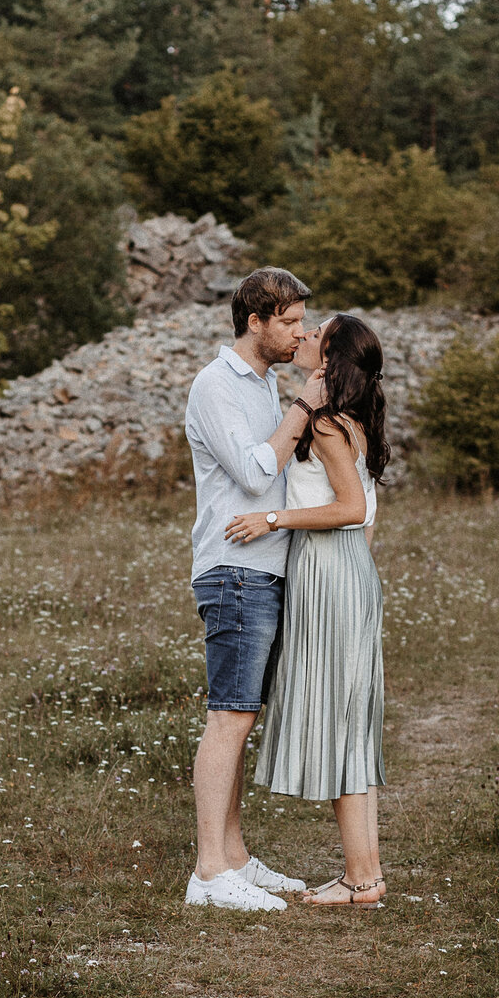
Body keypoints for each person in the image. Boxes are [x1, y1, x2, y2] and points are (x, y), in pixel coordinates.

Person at [183, 266, 328, 913]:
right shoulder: (217, 385)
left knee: (241, 718)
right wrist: (303, 410)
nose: (299, 332)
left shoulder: (265, 384)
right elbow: (249, 473)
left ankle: (235, 857)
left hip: (264, 567)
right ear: (256, 322)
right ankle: (210, 873)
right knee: (228, 718)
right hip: (234, 568)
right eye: (290, 321)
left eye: (302, 321)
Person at [230, 314, 388, 906]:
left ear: (330, 356)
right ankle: (365, 875)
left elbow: (349, 507)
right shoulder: (350, 421)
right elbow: (369, 517)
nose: (303, 335)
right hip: (348, 571)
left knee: (340, 722)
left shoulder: (325, 425)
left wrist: (272, 519)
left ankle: (361, 878)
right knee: (351, 719)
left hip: (328, 570)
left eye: (314, 331)